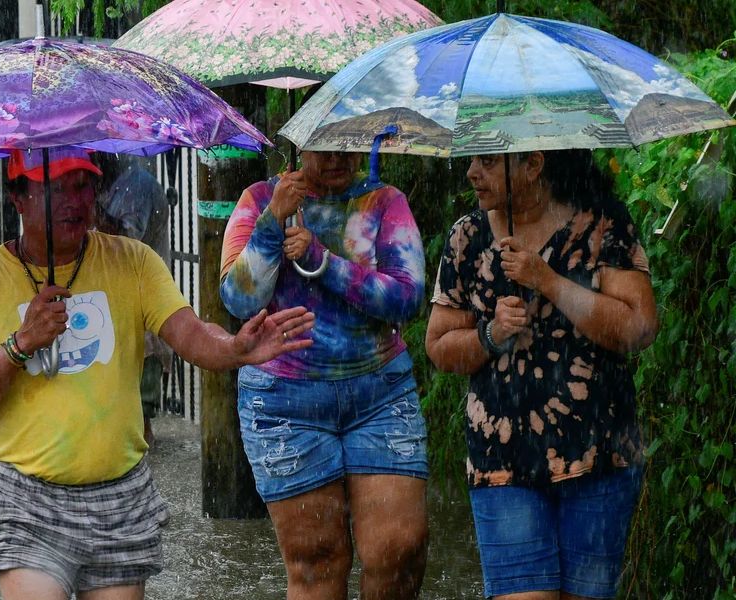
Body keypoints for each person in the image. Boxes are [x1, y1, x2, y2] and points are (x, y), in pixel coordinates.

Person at [0, 148, 314, 600]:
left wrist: (236, 349)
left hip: (120, 494)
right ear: (18, 197)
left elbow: (188, 332)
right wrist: (20, 344)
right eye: (56, 189)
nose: (75, 201)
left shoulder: (132, 261)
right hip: (25, 498)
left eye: (83, 186)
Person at [424, 150, 658, 600]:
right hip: (501, 459)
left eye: (488, 161)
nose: (472, 171)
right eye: (471, 160)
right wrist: (490, 336)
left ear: (533, 165)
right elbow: (438, 347)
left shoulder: (602, 224)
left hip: (599, 456)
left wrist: (548, 281)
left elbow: (639, 327)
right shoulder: (466, 238)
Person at [219, 150, 429, 600]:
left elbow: (409, 300)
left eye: (346, 144)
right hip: (283, 402)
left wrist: (323, 260)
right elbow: (238, 301)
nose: (336, 158)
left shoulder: (384, 202)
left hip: (380, 395)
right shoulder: (259, 199)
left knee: (399, 551)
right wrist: (273, 220)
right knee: (317, 560)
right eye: (322, 147)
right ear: (299, 143)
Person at [94, 155, 172, 447]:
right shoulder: (112, 187)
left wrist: (92, 210)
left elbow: (125, 242)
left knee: (140, 414)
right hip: (116, 303)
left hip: (141, 301)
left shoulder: (135, 187)